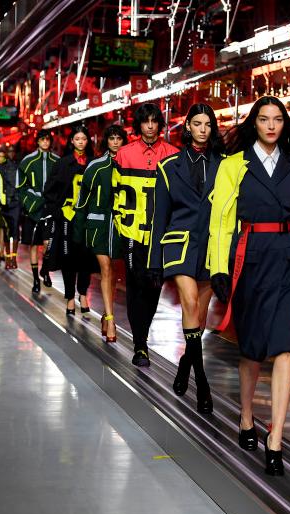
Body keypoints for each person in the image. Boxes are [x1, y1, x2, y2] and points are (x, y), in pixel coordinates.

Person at [208, 96, 290, 476]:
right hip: (250, 257)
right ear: (253, 123)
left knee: (285, 347)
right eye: (263, 119)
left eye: (277, 119)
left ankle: (276, 437)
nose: (271, 126)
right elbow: (221, 221)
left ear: (284, 125)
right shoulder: (233, 165)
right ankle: (246, 415)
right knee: (252, 348)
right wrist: (218, 269)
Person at [147, 103, 224, 414]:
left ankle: (184, 364)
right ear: (187, 127)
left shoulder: (224, 165)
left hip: (211, 248)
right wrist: (154, 261)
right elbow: (159, 217)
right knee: (190, 304)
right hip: (179, 245)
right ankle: (202, 383)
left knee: (200, 317)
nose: (203, 129)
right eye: (197, 123)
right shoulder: (168, 167)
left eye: (208, 124)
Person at [113, 103, 178, 366]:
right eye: (145, 121)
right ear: (139, 125)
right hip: (131, 232)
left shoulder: (173, 155)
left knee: (154, 287)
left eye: (154, 121)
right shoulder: (124, 154)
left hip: (160, 235)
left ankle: (143, 337)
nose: (150, 126)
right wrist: (120, 225)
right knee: (135, 285)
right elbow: (116, 194)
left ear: (160, 124)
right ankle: (140, 344)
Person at [73, 125, 127, 343]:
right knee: (106, 269)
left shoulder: (128, 165)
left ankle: (106, 312)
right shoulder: (95, 166)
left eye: (119, 138)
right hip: (98, 227)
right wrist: (78, 232)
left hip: (121, 228)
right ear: (106, 141)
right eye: (112, 138)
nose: (115, 142)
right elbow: (82, 200)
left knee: (113, 271)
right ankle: (111, 320)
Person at [42, 124, 96, 315]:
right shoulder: (62, 163)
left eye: (84, 139)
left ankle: (83, 293)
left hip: (88, 218)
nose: (81, 142)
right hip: (67, 217)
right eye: (77, 139)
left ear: (88, 141)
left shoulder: (94, 163)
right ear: (72, 141)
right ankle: (70, 297)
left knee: (86, 258)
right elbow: (49, 190)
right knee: (68, 258)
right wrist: (58, 212)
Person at [17, 129, 59, 292]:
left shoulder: (57, 161)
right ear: (38, 141)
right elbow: (21, 186)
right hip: (32, 209)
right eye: (42, 139)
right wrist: (30, 203)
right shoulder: (27, 161)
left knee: (49, 244)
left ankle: (45, 270)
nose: (45, 142)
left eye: (47, 139)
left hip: (49, 208)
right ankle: (36, 279)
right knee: (33, 245)